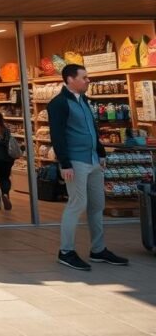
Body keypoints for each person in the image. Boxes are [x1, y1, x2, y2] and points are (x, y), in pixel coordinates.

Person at [49, 64, 128, 270]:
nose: (88, 80)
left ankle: (98, 250)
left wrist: (100, 153)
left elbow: (93, 129)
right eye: (84, 77)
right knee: (77, 204)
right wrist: (65, 163)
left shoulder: (84, 100)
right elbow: (57, 135)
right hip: (75, 161)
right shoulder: (58, 104)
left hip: (93, 160)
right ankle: (66, 252)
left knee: (97, 205)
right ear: (70, 79)